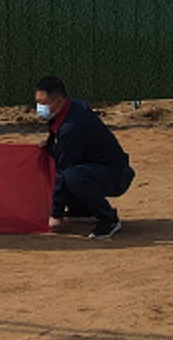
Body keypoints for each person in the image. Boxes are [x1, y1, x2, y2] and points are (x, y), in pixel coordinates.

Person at [35, 75, 134, 240]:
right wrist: (51, 145)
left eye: (43, 103)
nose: (39, 107)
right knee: (69, 169)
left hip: (116, 175)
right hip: (95, 166)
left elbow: (62, 170)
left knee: (73, 176)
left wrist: (55, 214)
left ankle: (109, 219)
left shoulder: (72, 126)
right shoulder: (70, 108)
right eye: (38, 102)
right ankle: (81, 210)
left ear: (58, 101)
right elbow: (59, 141)